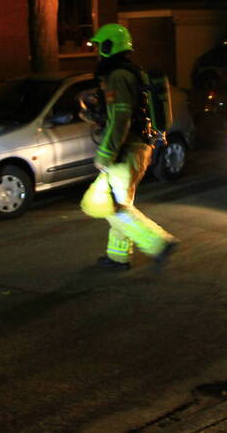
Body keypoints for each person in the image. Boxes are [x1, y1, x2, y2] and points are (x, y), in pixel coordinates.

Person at [83, 23, 178, 271]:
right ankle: (117, 257)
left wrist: (105, 153)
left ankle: (158, 242)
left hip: (126, 151)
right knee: (119, 204)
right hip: (138, 148)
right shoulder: (132, 73)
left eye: (99, 46)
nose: (97, 52)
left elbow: (121, 119)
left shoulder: (118, 76)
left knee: (109, 206)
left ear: (108, 46)